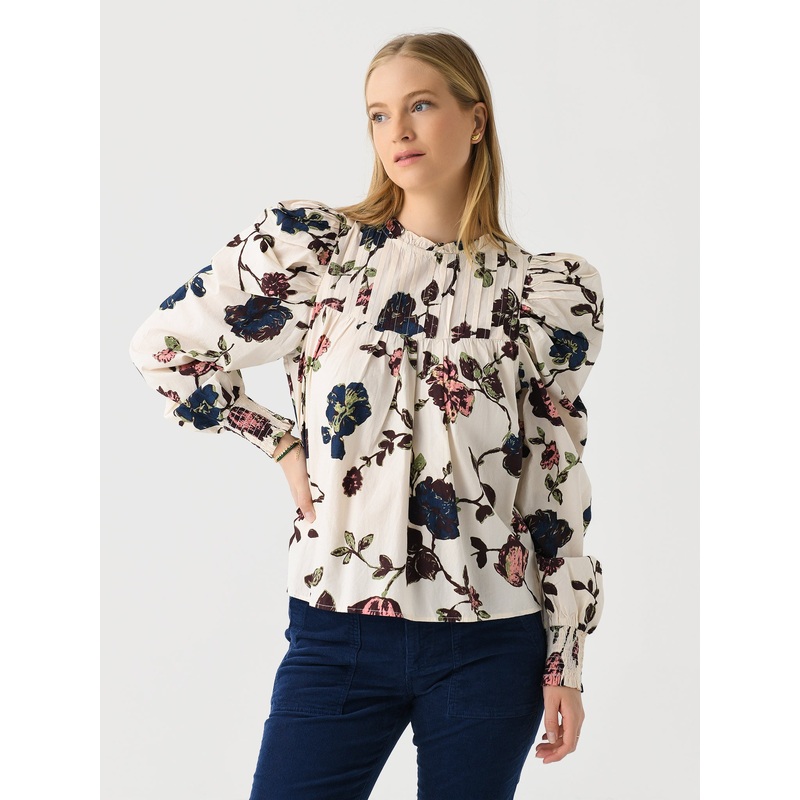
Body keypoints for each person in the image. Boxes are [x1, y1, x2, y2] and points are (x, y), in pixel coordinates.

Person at [129, 30, 605, 800]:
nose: (398, 131)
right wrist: (279, 442)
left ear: (475, 119)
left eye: (421, 106)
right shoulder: (319, 255)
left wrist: (565, 662)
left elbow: (555, 485)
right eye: (379, 115)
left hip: (491, 642)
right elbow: (165, 347)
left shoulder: (541, 294)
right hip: (338, 630)